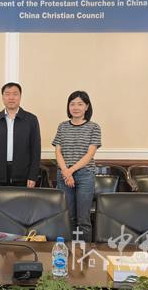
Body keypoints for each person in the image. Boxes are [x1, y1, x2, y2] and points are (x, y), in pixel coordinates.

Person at [52, 91, 101, 242]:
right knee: (67, 216)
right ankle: (67, 253)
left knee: (83, 219)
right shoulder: (62, 127)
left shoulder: (94, 127)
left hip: (85, 175)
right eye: (72, 103)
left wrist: (70, 171)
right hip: (64, 175)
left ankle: (83, 256)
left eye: (80, 104)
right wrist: (66, 172)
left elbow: (89, 154)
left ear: (87, 106)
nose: (76, 107)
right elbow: (58, 152)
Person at [0, 82, 41, 188]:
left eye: (15, 94)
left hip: (23, 175)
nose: (11, 97)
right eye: (7, 94)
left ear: (20, 96)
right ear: (2, 97)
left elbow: (35, 150)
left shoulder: (31, 120)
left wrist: (33, 176)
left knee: (22, 205)